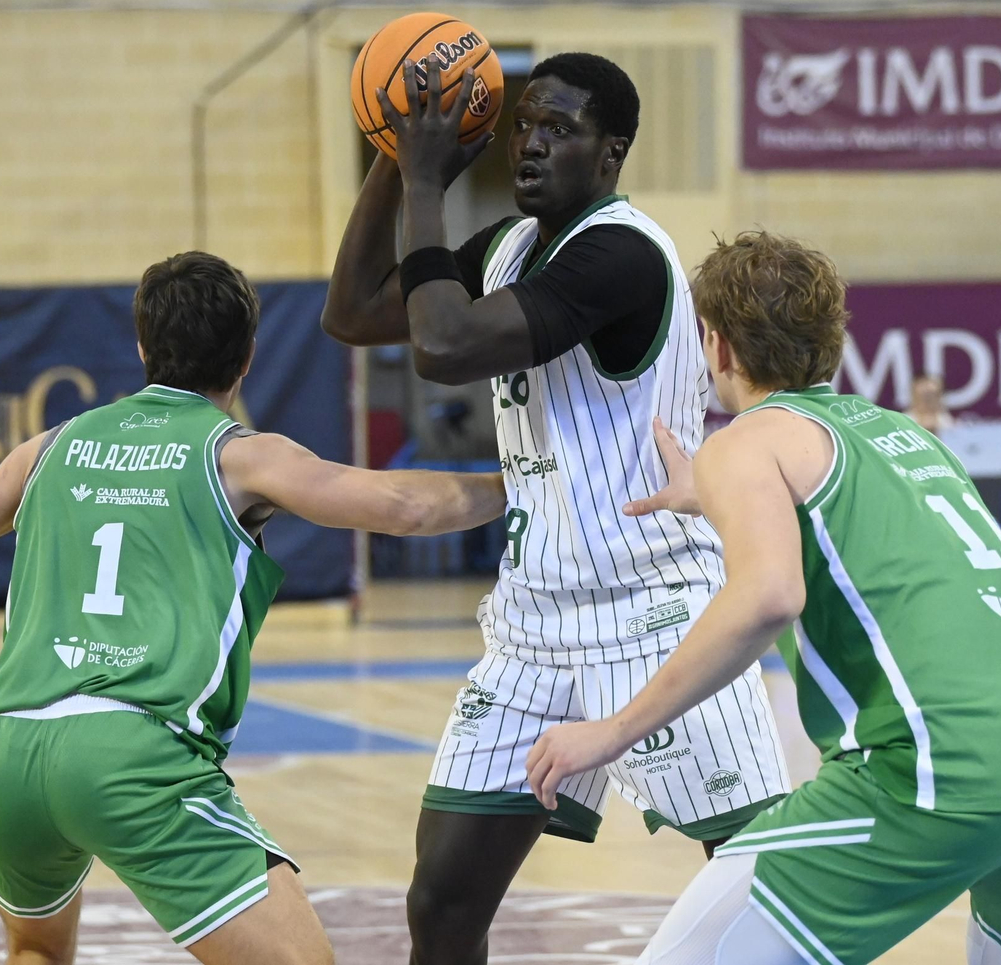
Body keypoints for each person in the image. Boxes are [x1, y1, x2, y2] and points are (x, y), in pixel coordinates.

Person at [0, 251, 506, 965]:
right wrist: (527, 484)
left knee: (35, 949)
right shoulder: (239, 456)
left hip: (2, 752)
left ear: (142, 347)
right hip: (130, 753)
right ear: (248, 355)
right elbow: (405, 505)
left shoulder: (50, 448)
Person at [526, 231, 1001, 965]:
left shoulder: (745, 442)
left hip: (937, 766)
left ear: (715, 344)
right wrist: (714, 496)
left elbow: (770, 595)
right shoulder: (907, 436)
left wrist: (611, 730)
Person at [323, 53, 790, 964]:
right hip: (533, 623)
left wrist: (425, 178)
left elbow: (445, 345)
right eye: (524, 123)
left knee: (757, 890)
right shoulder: (503, 247)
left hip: (658, 608)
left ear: (610, 152)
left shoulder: (625, 254)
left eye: (559, 129)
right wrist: (391, 148)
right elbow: (351, 312)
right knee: (443, 899)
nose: (530, 142)